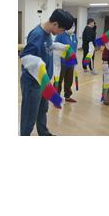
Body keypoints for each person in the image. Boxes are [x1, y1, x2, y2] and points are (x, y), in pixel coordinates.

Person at [20, 8, 74, 136]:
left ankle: (44, 134)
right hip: (33, 84)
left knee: (42, 111)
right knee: (29, 117)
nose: (61, 33)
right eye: (62, 30)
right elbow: (25, 57)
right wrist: (52, 94)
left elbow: (46, 47)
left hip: (43, 82)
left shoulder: (48, 33)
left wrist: (60, 47)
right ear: (55, 24)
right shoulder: (37, 34)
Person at [55, 23, 78, 102]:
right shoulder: (60, 35)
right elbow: (55, 47)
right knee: (58, 80)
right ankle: (56, 98)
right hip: (61, 62)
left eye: (73, 26)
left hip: (71, 61)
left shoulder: (74, 36)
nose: (72, 28)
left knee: (69, 80)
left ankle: (67, 96)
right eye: (71, 26)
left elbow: (75, 49)